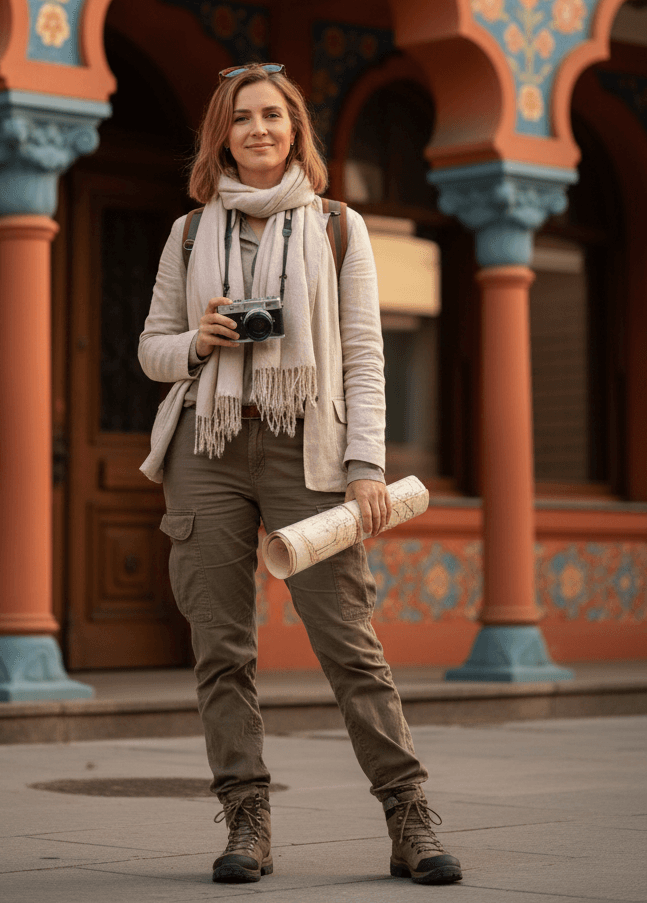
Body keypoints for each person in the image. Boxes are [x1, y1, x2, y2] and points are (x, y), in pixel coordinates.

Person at [139, 62, 462, 888]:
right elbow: (151, 351)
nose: (257, 129)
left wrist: (367, 467)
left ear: (294, 131)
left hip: (307, 447)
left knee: (350, 645)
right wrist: (200, 342)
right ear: (222, 134)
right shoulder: (187, 235)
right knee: (221, 648)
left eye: (273, 116)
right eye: (241, 117)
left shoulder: (336, 229)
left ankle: (408, 817)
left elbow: (363, 354)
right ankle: (247, 821)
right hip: (205, 447)